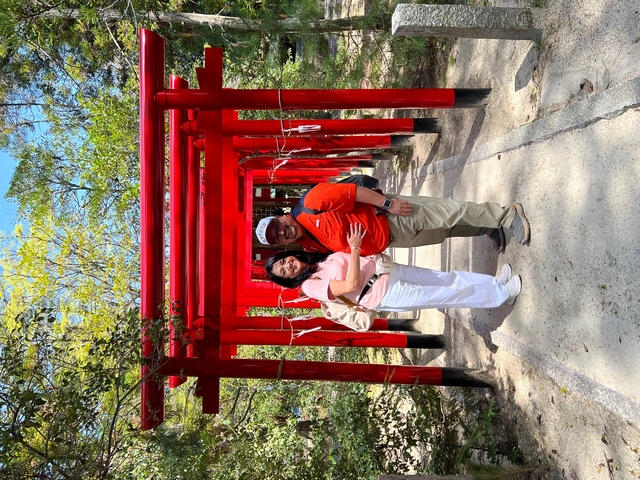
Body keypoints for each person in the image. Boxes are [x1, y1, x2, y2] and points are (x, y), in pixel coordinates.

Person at [265, 223, 522, 316]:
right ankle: (500, 296)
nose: (288, 266)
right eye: (285, 272)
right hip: (384, 294)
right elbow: (350, 286)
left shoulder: (317, 260)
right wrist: (354, 249)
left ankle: (494, 284)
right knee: (446, 295)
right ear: (290, 279)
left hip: (388, 271)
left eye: (284, 261)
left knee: (445, 278)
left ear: (289, 255)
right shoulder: (311, 286)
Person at [255, 183, 530, 255]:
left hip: (389, 216)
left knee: (449, 212)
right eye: (276, 237)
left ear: (281, 216)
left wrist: (387, 203)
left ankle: (506, 215)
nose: (282, 232)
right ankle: (487, 227)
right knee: (443, 232)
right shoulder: (309, 246)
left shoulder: (311, 204)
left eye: (278, 227)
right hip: (391, 240)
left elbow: (351, 192)